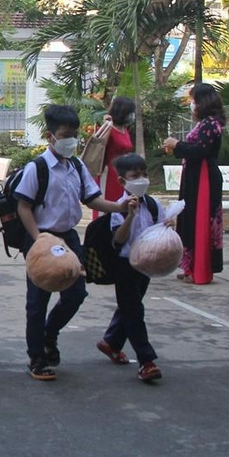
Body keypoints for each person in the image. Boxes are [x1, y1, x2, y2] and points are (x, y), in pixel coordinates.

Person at [15, 105, 127, 381]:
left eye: (74, 134)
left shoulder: (75, 166)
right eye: (66, 134)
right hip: (42, 237)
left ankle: (49, 333)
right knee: (37, 300)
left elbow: (92, 199)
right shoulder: (38, 167)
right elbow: (24, 206)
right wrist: (38, 238)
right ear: (50, 135)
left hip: (69, 238)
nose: (71, 140)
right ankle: (37, 357)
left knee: (76, 292)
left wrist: (121, 207)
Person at [96, 153, 164, 382]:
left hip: (146, 264)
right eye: (136, 176)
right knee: (134, 311)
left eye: (145, 175)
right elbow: (118, 239)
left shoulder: (153, 205)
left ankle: (112, 341)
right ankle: (147, 361)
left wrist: (169, 225)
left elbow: (160, 231)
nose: (142, 180)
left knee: (129, 307)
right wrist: (130, 216)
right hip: (125, 266)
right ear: (123, 182)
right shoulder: (120, 207)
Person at [162, 83, 225, 285]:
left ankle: (200, 269)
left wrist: (177, 145)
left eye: (193, 100)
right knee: (189, 219)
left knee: (200, 220)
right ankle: (190, 266)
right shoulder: (205, 123)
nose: (191, 104)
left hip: (204, 178)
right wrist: (177, 147)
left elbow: (201, 151)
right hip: (194, 176)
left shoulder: (211, 124)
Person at [92, 96, 135, 219]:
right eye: (129, 113)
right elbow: (96, 145)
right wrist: (105, 124)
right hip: (108, 174)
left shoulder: (125, 130)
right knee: (106, 206)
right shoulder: (108, 129)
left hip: (123, 174)